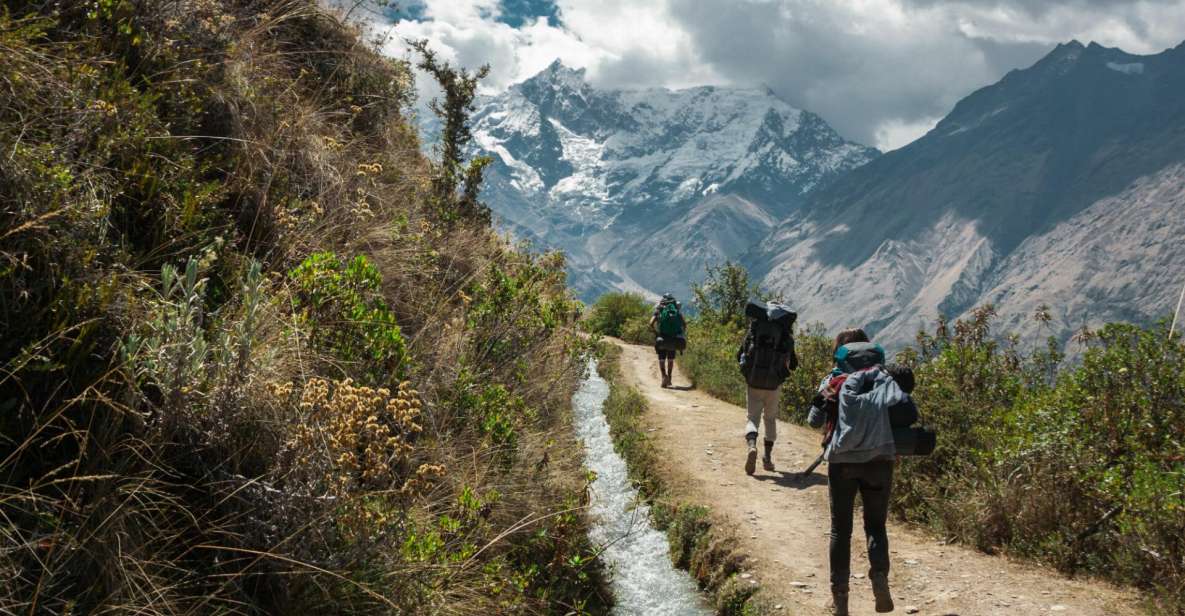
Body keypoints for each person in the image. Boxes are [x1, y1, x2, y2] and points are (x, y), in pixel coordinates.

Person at [807, 328, 899, 616]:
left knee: (840, 530)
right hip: (881, 460)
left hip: (843, 463)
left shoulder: (834, 379)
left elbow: (813, 420)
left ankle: (841, 599)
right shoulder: (884, 378)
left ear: (840, 351)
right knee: (875, 525)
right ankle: (880, 577)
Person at [736, 301, 797, 475]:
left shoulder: (754, 331)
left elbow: (738, 355)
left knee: (752, 418)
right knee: (770, 419)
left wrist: (748, 371)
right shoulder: (786, 336)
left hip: (754, 381)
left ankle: (752, 446)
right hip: (773, 384)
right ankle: (767, 458)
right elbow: (793, 365)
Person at [649, 293, 686, 388]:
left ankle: (663, 376)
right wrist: (680, 333)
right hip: (674, 339)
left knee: (661, 359)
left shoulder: (659, 310)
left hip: (662, 338)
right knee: (670, 360)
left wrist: (656, 333)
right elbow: (684, 324)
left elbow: (650, 323)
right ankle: (669, 377)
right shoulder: (677, 311)